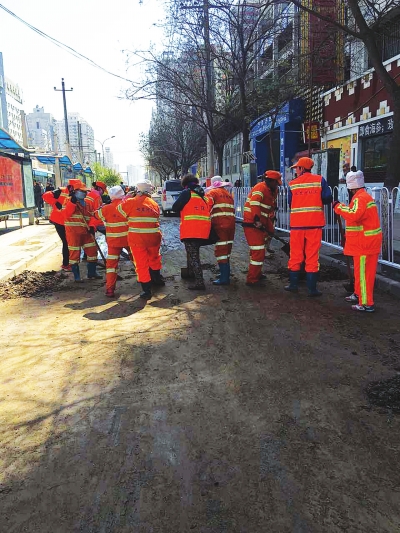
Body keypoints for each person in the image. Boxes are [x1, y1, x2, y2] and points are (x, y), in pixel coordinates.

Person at [333, 170, 382, 312]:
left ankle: (366, 303)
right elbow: (357, 214)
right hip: (367, 242)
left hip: (364, 244)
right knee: (362, 272)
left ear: (351, 187)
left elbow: (354, 215)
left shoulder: (360, 198)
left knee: (364, 274)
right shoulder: (363, 197)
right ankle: (358, 294)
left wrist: (338, 207)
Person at [285, 156, 332, 296]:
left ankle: (293, 285)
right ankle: (312, 289)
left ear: (302, 168)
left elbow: (289, 203)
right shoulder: (320, 180)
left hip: (297, 226)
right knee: (312, 256)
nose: (296, 171)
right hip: (314, 225)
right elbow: (327, 199)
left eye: (297, 168)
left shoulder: (292, 184)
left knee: (295, 255)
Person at [117, 180, 163, 300]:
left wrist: (129, 197)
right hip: (154, 238)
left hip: (137, 239)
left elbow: (120, 211)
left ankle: (146, 291)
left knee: (141, 264)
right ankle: (157, 280)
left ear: (137, 190)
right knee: (154, 258)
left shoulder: (130, 202)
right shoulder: (153, 203)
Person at [172, 174, 211, 290]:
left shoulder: (187, 193)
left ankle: (199, 282)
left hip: (191, 230)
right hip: (203, 230)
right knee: (193, 254)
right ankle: (191, 273)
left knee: (194, 256)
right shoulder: (203, 196)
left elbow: (175, 207)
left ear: (185, 184)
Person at [242, 170, 282, 286]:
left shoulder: (272, 190)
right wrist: (257, 220)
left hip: (262, 222)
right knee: (258, 251)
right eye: (276, 182)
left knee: (259, 250)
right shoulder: (260, 188)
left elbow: (269, 207)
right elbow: (254, 204)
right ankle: (252, 279)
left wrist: (270, 225)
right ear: (270, 181)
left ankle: (257, 273)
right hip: (253, 223)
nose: (278, 185)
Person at [95, 186, 130, 297]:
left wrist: (100, 209)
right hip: (128, 239)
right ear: (122, 194)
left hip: (113, 242)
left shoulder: (106, 208)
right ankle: (142, 280)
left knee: (111, 266)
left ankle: (110, 289)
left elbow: (96, 215)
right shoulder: (127, 206)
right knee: (136, 260)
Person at [63, 179, 102, 282]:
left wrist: (92, 227)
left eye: (85, 191)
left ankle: (92, 273)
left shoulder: (87, 203)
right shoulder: (68, 201)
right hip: (73, 233)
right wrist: (72, 202)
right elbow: (67, 214)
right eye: (82, 191)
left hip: (86, 232)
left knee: (92, 252)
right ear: (75, 192)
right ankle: (77, 277)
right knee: (74, 255)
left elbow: (93, 216)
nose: (84, 193)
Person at [205, 175, 235, 285]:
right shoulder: (228, 194)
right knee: (227, 249)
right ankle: (224, 273)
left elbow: (206, 207)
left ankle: (224, 278)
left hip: (220, 224)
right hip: (231, 224)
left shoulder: (212, 193)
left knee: (221, 250)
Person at [42, 185, 72, 271]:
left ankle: (68, 263)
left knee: (68, 242)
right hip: (58, 220)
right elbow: (45, 195)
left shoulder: (73, 193)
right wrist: (55, 202)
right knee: (66, 242)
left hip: (65, 221)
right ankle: (66, 264)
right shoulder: (60, 191)